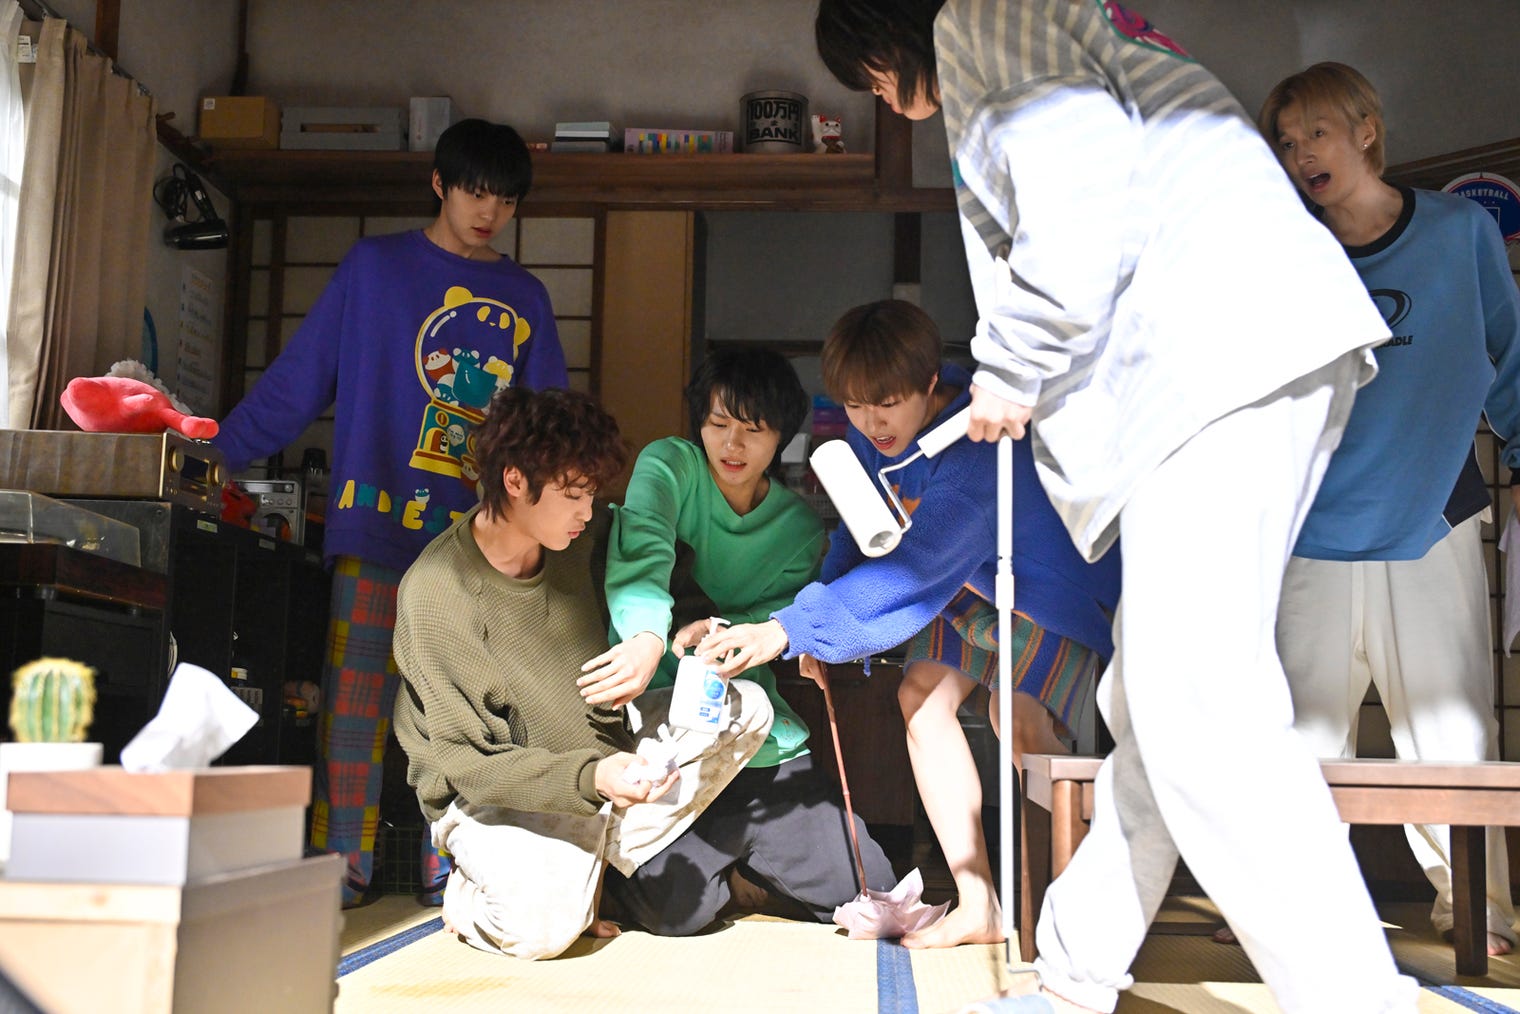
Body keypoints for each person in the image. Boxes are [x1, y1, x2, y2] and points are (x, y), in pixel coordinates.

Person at [813, 2, 1421, 1012]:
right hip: (1242, 348)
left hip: (1216, 354)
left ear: (889, 36)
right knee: (1154, 705)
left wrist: (1009, 365)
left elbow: (1080, 186)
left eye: (873, 76)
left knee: (1200, 709)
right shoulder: (1038, 19)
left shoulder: (979, 14)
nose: (885, 97)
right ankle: (1074, 974)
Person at [212, 118, 569, 909]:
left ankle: (458, 863)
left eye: (507, 201)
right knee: (354, 701)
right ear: (439, 184)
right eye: (475, 192)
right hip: (374, 519)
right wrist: (217, 454)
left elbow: (549, 429)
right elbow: (300, 378)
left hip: (477, 544)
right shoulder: (373, 269)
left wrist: (553, 532)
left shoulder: (526, 297)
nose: (490, 212)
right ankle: (344, 862)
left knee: (466, 708)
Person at [702, 299, 1119, 950]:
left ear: (930, 382)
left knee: (1019, 721)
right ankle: (979, 905)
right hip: (967, 583)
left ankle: (1083, 902)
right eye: (855, 406)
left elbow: (915, 567)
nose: (872, 423)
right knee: (919, 699)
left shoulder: (978, 443)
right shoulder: (871, 437)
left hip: (1043, 585)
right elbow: (858, 530)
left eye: (888, 404)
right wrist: (821, 626)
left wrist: (789, 629)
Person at [1255, 61, 1520, 956]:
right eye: (1287, 142)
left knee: (1451, 727)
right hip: (1311, 525)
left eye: (1317, 133)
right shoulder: (1284, 248)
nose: (1302, 154)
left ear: (1366, 130)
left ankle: (1477, 908)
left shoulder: (1459, 232)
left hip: (1434, 516)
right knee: (1298, 732)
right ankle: (1288, 913)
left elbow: (1512, 354)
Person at [390, 385, 773, 959]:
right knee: (538, 934)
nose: (588, 512)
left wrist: (677, 629)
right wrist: (592, 779)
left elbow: (657, 561)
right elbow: (468, 767)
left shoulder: (578, 537)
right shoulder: (438, 592)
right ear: (514, 480)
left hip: (601, 756)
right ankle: (486, 892)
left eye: (591, 493)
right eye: (573, 495)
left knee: (745, 707)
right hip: (495, 794)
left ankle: (579, 866)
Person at [582, 345, 898, 933]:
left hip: (750, 735)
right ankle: (733, 873)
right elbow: (644, 550)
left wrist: (728, 632)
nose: (732, 445)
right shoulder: (670, 466)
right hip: (664, 733)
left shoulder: (798, 529)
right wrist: (650, 637)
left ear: (781, 437)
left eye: (753, 430)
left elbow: (774, 618)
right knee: (675, 912)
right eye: (718, 424)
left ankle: (741, 866)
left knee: (872, 888)